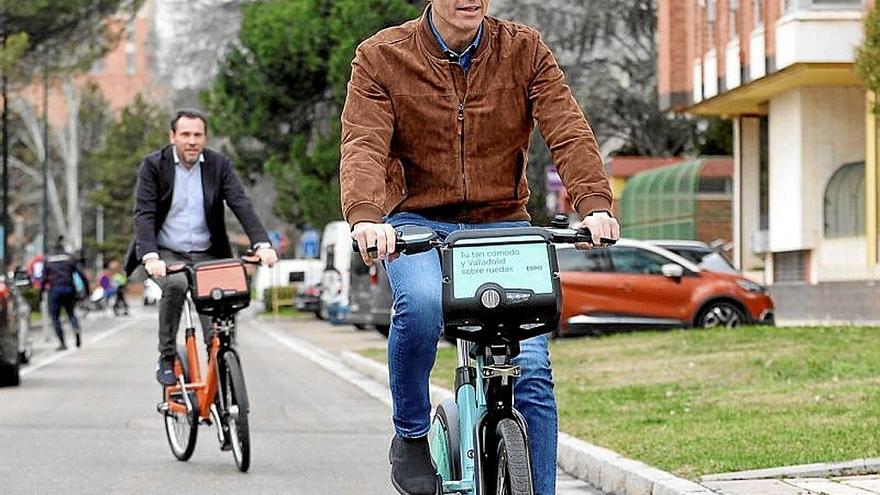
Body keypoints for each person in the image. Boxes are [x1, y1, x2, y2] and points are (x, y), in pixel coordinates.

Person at [341, 2, 620, 494]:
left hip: (501, 224)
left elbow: (566, 126)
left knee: (531, 371)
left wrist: (593, 203)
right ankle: (410, 433)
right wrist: (367, 216)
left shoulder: (524, 49)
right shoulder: (381, 56)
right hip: (417, 222)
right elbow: (363, 142)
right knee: (422, 304)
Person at [125, 109, 278, 386]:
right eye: (185, 135)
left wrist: (262, 244)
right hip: (166, 252)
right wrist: (150, 256)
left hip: (209, 254)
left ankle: (222, 372)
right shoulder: (153, 166)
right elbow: (144, 213)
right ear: (173, 137)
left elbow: (240, 204)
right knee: (175, 286)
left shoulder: (218, 166)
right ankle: (167, 356)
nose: (192, 141)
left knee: (220, 317)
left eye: (198, 135)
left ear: (205, 138)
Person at [41, 236, 89, 350]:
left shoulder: (48, 259)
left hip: (55, 290)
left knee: (55, 317)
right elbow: (81, 274)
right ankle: (76, 329)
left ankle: (62, 343)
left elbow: (44, 278)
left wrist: (41, 292)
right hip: (68, 288)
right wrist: (87, 290)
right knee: (71, 313)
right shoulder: (69, 258)